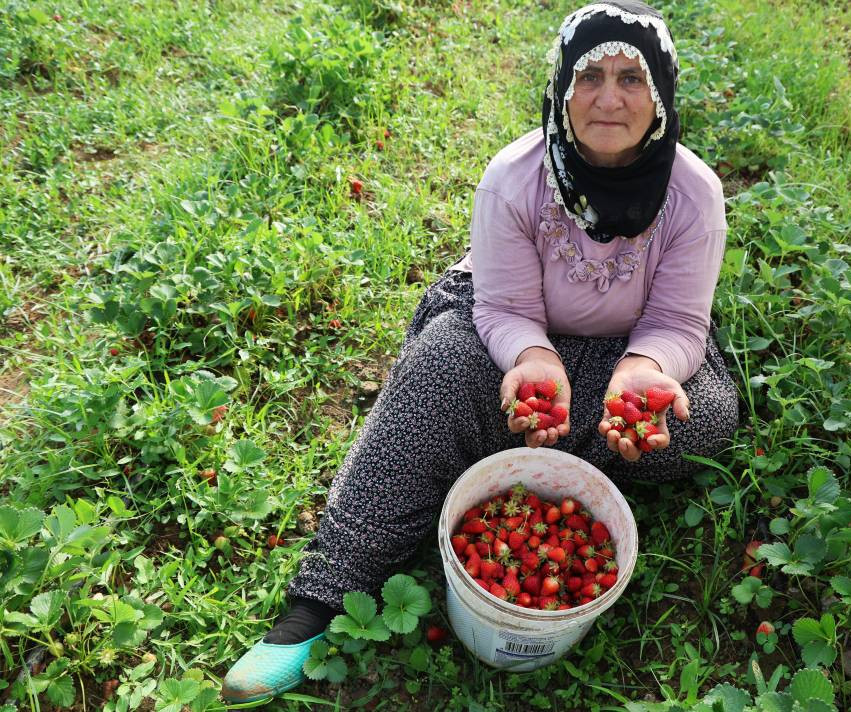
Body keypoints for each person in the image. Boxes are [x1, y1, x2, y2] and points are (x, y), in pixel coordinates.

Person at [221, 0, 737, 702]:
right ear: (560, 87)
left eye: (630, 78)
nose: (608, 98)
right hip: (510, 332)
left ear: (663, 95)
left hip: (626, 347)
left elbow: (678, 321)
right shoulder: (515, 176)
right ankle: (318, 603)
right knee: (438, 368)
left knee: (701, 417)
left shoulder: (695, 195)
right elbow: (504, 307)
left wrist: (642, 373)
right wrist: (533, 360)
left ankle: (492, 451)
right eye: (588, 77)